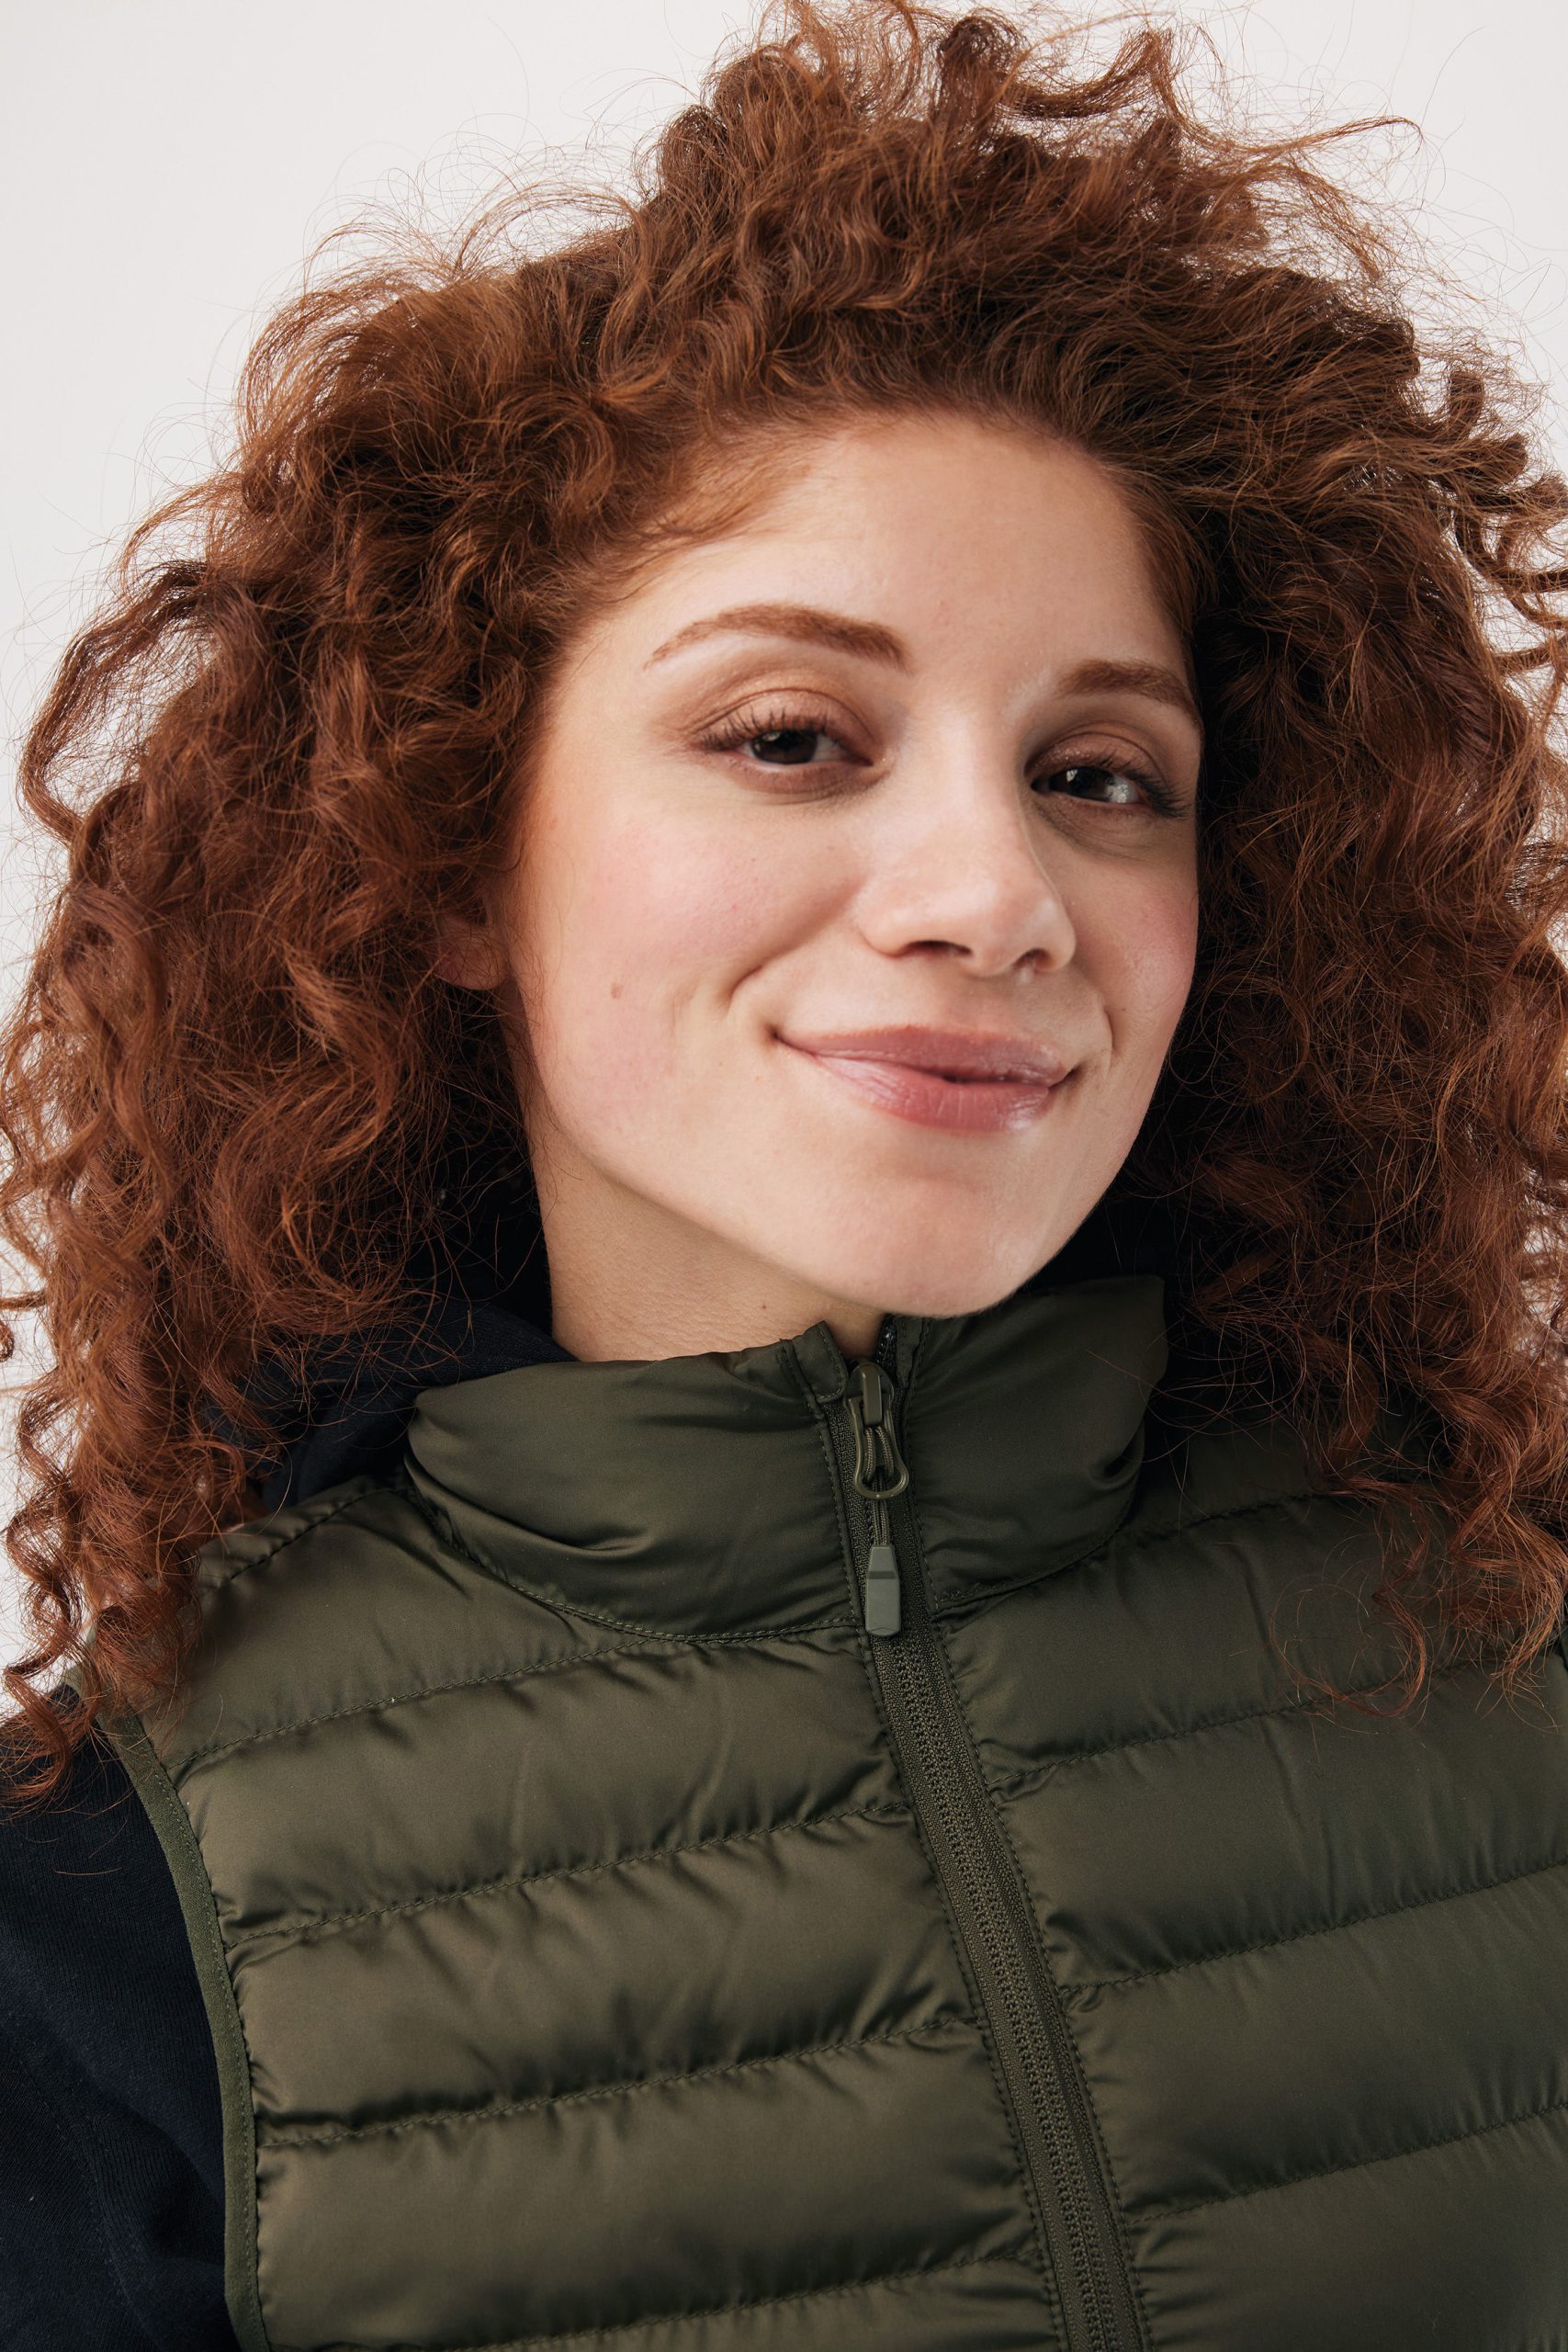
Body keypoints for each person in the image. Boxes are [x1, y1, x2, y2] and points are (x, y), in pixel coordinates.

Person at [4, 1, 1567, 2345]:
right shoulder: (110, 1919)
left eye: (1101, 774)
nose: (993, 892)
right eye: (792, 736)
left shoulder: (1507, 1645)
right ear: (449, 848)